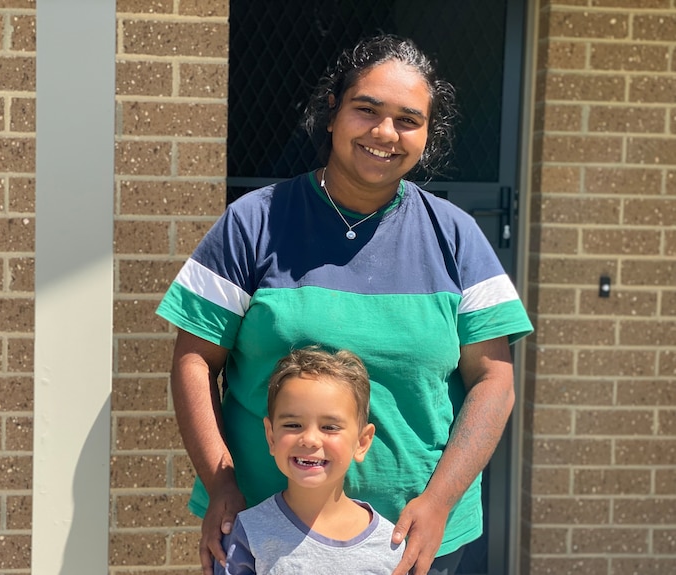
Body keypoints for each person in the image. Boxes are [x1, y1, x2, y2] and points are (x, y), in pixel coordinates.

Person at [156, 33, 533, 575]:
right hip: (267, 540)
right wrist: (221, 483)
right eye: (367, 109)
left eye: (409, 119)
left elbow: (494, 382)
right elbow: (195, 361)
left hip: (413, 541)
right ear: (332, 113)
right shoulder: (253, 223)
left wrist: (440, 502)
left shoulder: (457, 237)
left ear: (427, 135)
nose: (385, 132)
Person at [216, 347, 404, 575]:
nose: (310, 439)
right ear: (271, 437)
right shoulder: (249, 534)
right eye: (293, 425)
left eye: (330, 427)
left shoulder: (389, 544)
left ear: (362, 442)